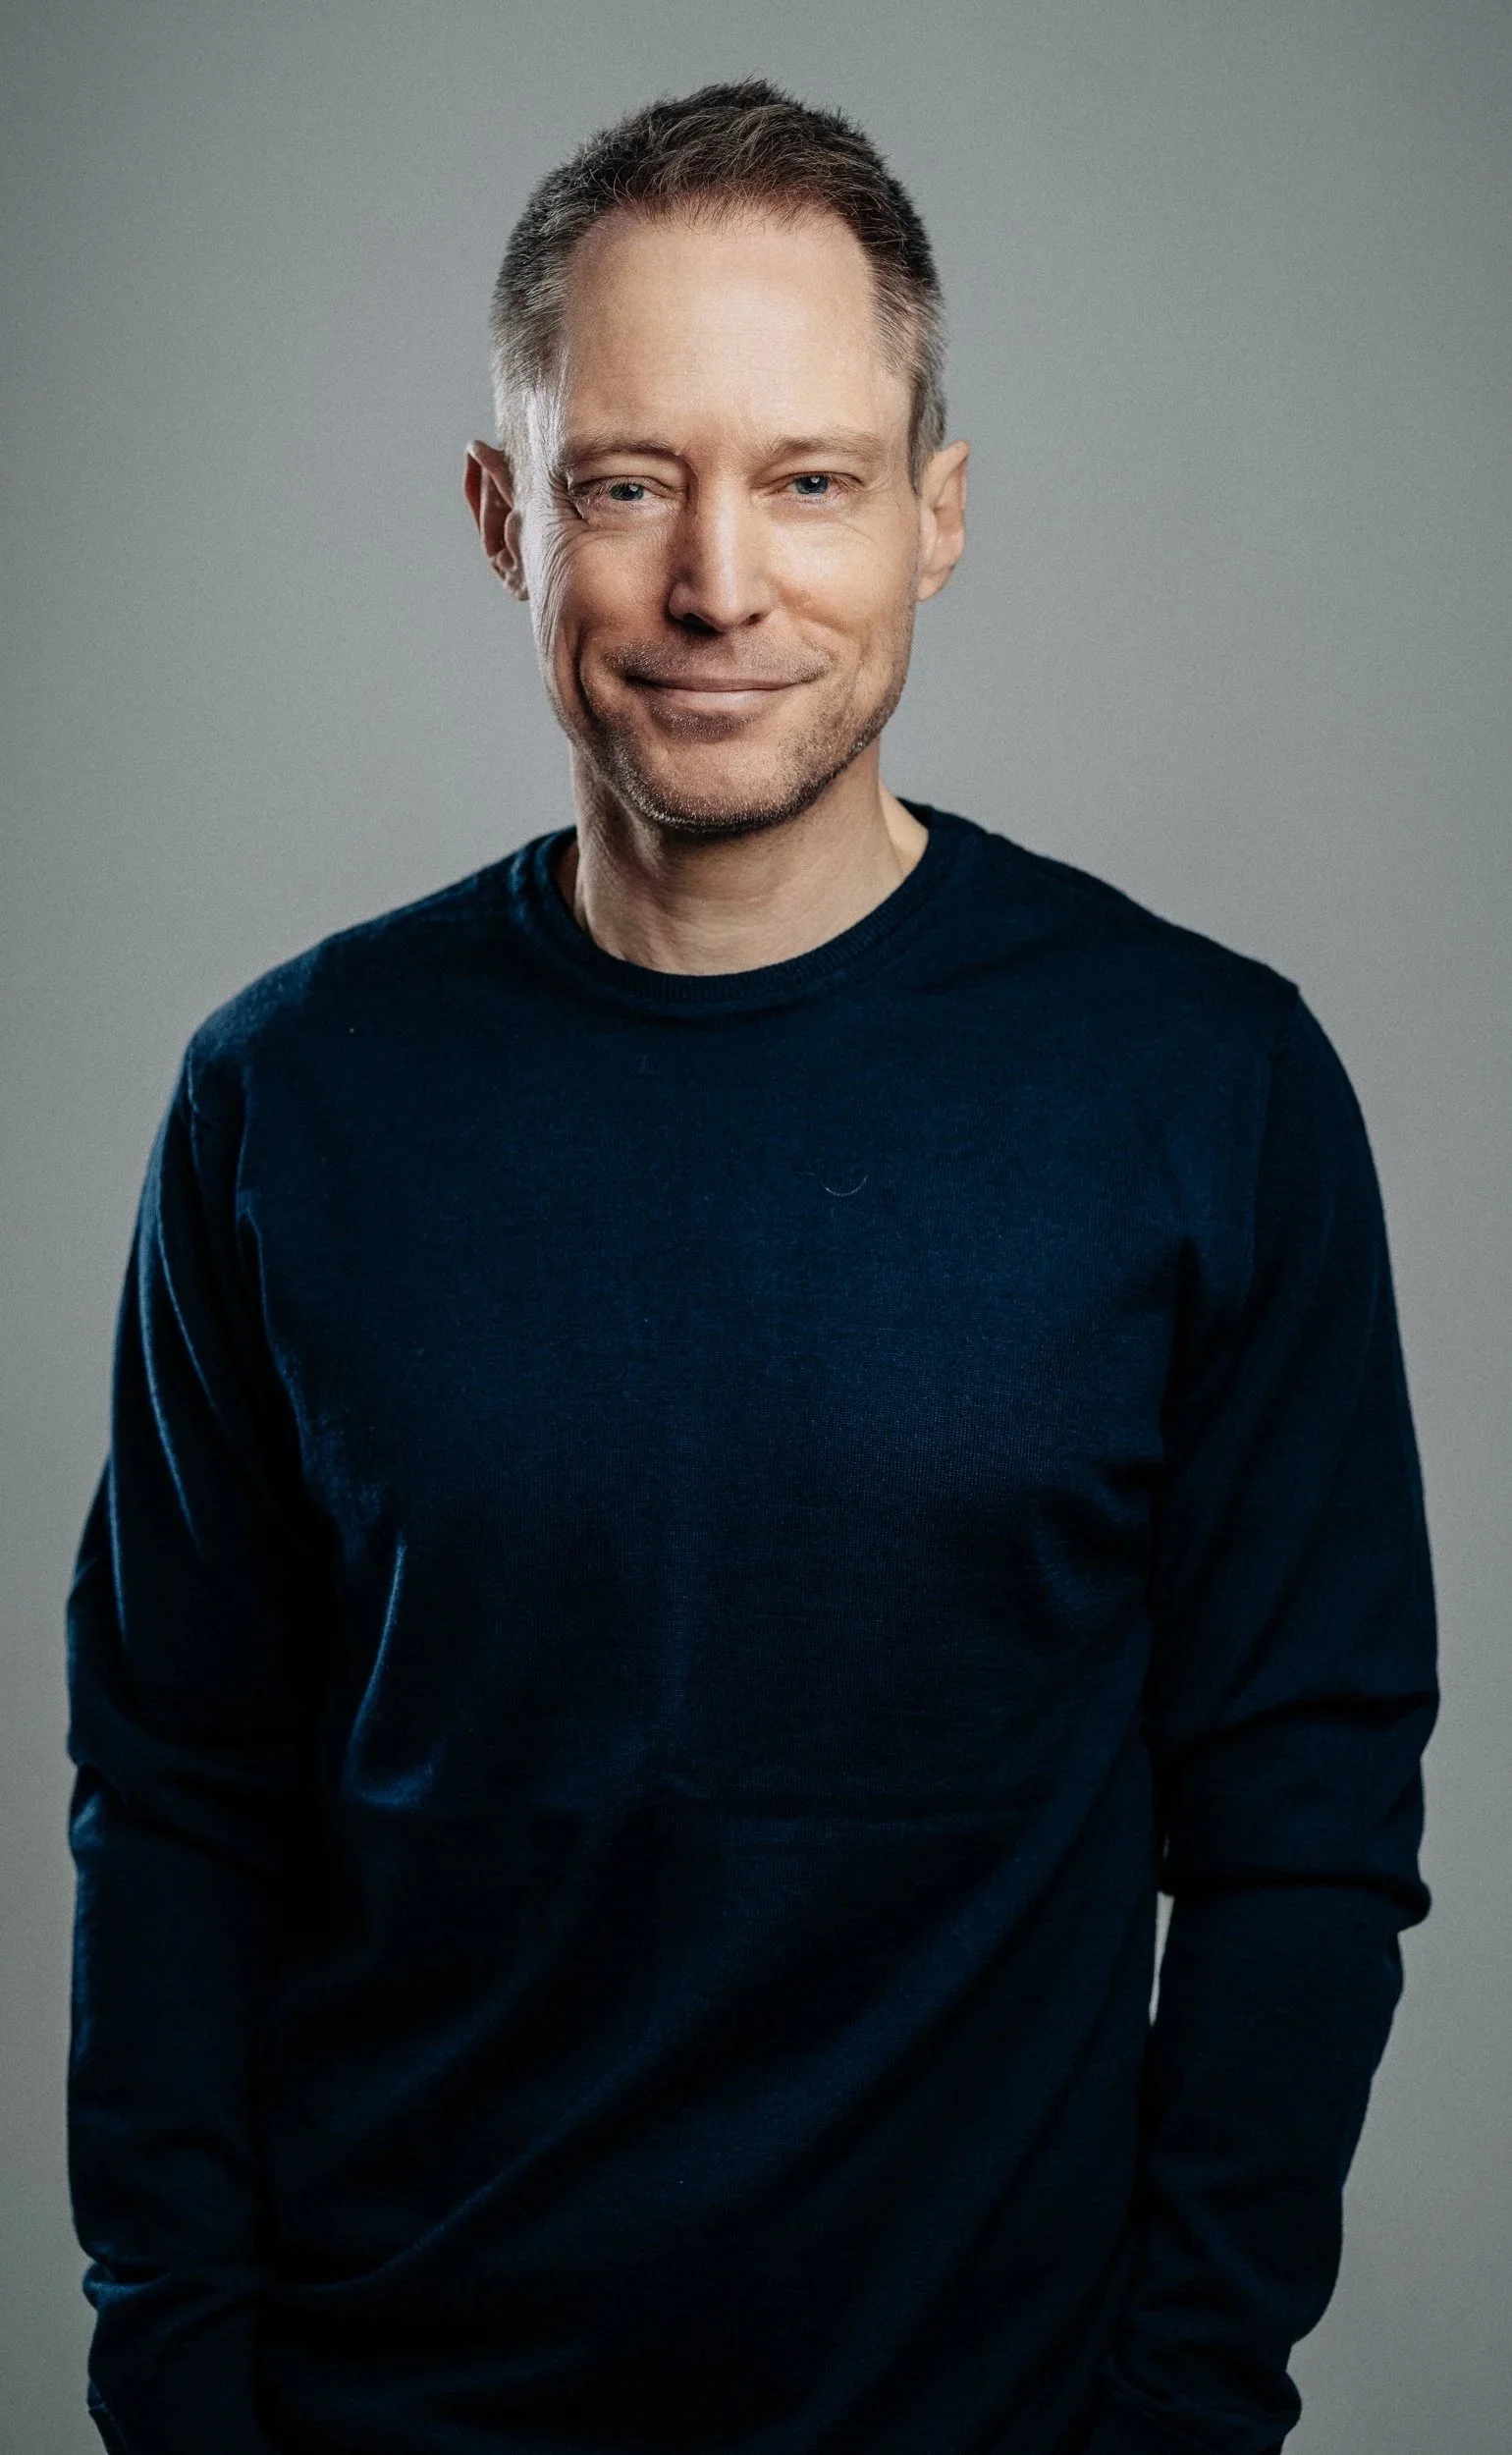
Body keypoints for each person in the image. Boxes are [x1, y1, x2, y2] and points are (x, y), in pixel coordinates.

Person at [66, 78, 1437, 2455]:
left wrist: (1173, 2409)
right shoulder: (284, 1099)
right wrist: (184, 2382)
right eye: (626, 482)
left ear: (936, 513)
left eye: (809, 479)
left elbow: (1298, 1829)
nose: (720, 582)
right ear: (505, 520)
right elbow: (174, 1793)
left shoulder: (1203, 1091)